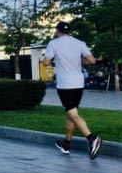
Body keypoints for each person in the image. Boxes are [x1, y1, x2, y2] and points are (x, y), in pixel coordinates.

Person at [43, 21, 102, 160]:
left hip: (65, 84)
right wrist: (79, 61)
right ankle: (66, 144)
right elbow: (92, 61)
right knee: (71, 113)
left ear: (58, 31)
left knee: (72, 114)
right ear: (68, 31)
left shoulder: (54, 43)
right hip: (78, 83)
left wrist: (54, 61)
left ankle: (92, 138)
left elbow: (46, 62)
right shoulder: (79, 43)